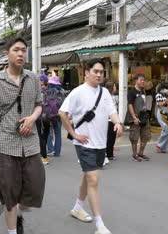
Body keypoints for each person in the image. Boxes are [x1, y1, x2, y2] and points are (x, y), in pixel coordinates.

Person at [0, 38, 45, 234]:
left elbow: (39, 104)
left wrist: (32, 118)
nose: (20, 54)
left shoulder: (33, 79)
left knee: (35, 186)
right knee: (9, 194)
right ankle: (12, 230)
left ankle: (19, 212)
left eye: (24, 50)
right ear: (6, 54)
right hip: (5, 143)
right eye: (16, 50)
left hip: (31, 143)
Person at [59, 59, 122, 234]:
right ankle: (99, 225)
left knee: (88, 176)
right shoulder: (78, 92)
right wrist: (73, 134)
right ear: (86, 72)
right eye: (96, 71)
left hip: (100, 143)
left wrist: (118, 123)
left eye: (101, 72)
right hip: (84, 142)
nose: (99, 74)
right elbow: (62, 113)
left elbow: (112, 112)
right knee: (93, 180)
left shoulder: (105, 93)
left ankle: (78, 207)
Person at [124, 74, 151, 162]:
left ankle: (140, 153)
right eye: (141, 80)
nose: (143, 82)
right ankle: (134, 154)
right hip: (135, 117)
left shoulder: (143, 91)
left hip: (144, 117)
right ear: (136, 81)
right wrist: (134, 117)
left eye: (144, 80)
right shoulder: (132, 91)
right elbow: (130, 105)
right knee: (134, 137)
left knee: (146, 136)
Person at [45, 75, 64, 157]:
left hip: (49, 114)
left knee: (48, 132)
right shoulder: (62, 91)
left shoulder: (48, 91)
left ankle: (50, 149)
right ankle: (57, 151)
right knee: (58, 132)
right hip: (59, 114)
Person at [37, 74, 50, 165]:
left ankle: (44, 156)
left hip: (40, 117)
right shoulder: (50, 91)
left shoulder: (39, 92)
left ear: (42, 81)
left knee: (40, 136)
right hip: (49, 117)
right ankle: (43, 152)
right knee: (45, 135)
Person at [155, 82, 168, 154]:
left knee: (167, 129)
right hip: (161, 112)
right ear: (162, 89)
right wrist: (167, 101)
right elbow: (160, 104)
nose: (167, 90)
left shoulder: (166, 95)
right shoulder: (158, 95)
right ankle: (159, 145)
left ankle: (163, 148)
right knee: (166, 128)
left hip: (167, 112)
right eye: (166, 89)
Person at [105, 82, 118, 161]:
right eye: (114, 86)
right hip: (108, 120)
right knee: (109, 138)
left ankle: (109, 153)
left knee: (112, 138)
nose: (115, 88)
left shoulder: (114, 96)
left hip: (113, 120)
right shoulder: (107, 97)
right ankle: (108, 154)